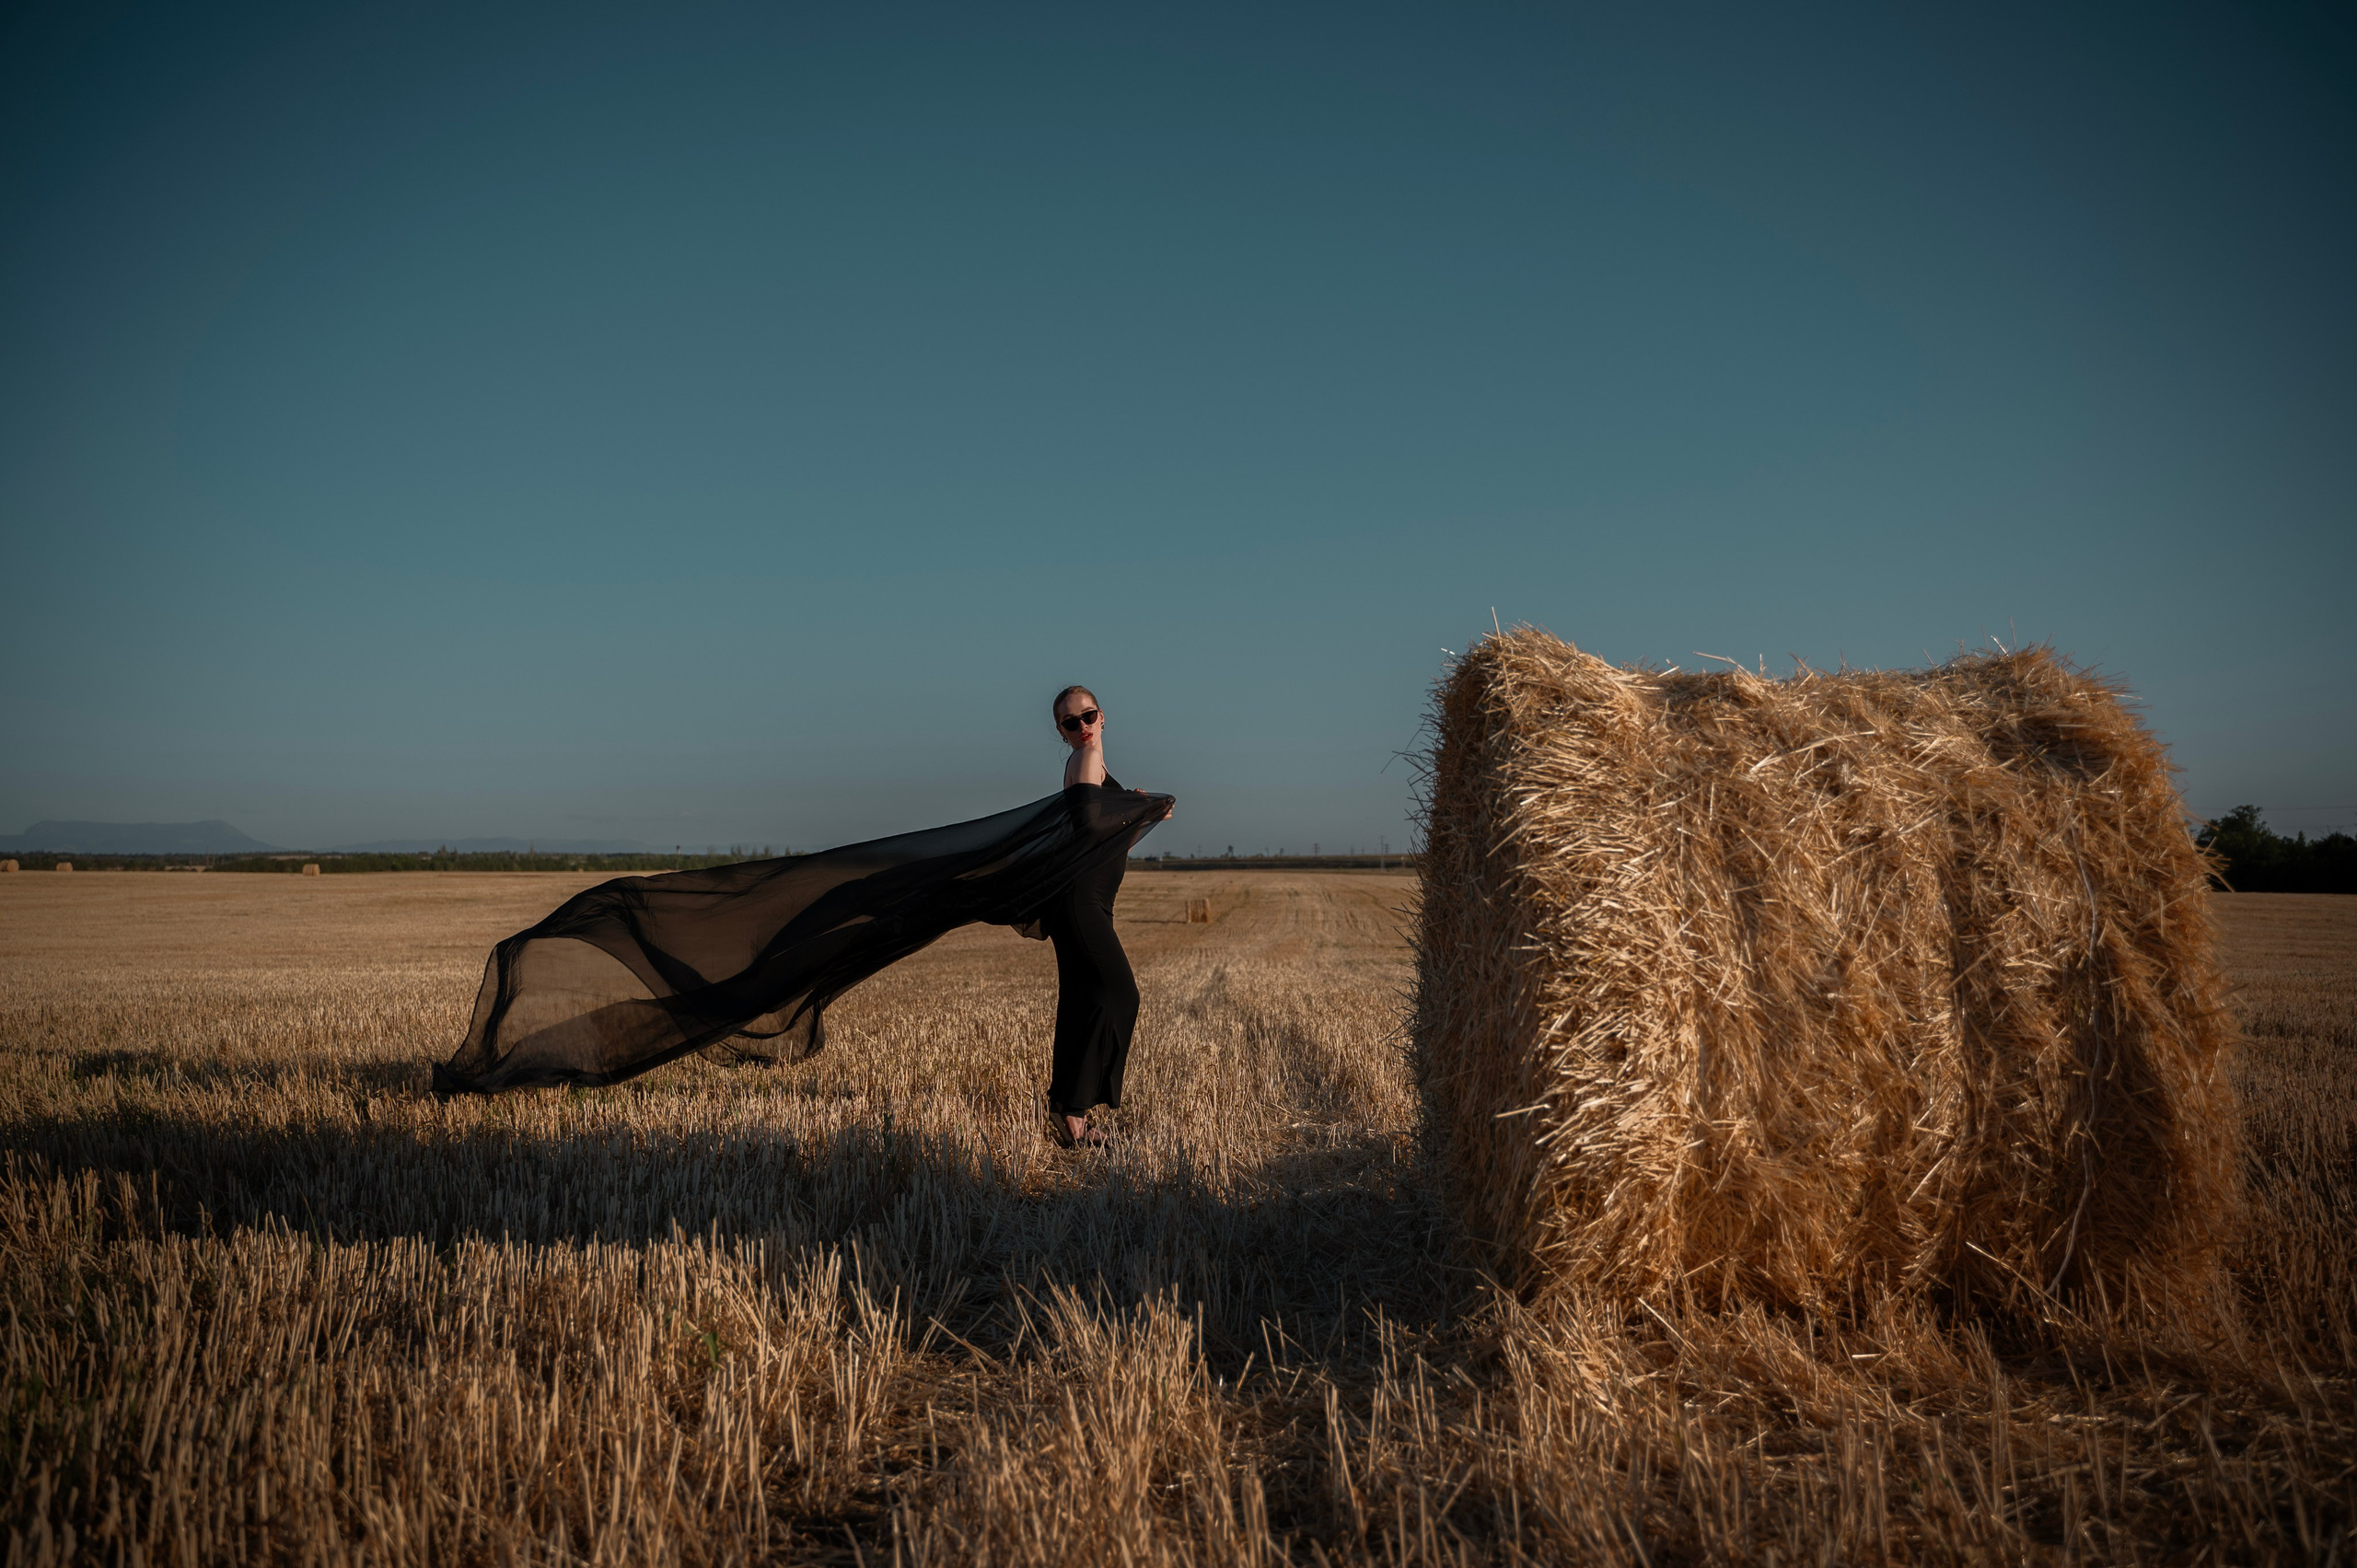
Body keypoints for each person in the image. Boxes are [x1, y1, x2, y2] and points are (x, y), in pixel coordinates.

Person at [1039, 684, 1171, 1147]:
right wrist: (1137, 810)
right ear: (1061, 731)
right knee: (1121, 995)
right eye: (1070, 722)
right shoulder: (1088, 758)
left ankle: (1067, 1113)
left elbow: (1103, 840)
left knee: (1084, 1000)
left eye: (1088, 716)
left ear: (1101, 716)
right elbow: (1093, 826)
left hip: (1090, 899)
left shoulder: (1093, 765)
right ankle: (1072, 1109)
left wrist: (1137, 812)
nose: (1082, 726)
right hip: (1081, 901)